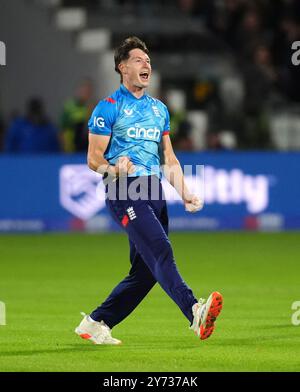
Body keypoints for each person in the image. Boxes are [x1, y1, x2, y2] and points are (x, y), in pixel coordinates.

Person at [75, 36, 223, 345]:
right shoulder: (108, 108)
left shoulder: (159, 110)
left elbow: (169, 158)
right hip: (123, 189)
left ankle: (96, 322)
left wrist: (185, 193)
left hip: (154, 191)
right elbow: (92, 159)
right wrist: (116, 169)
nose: (147, 64)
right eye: (139, 60)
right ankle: (195, 311)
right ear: (122, 67)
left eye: (149, 61)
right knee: (161, 251)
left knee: (144, 273)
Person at [60, 78, 95, 152]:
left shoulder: (94, 107)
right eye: (83, 90)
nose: (85, 93)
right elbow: (62, 129)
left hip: (87, 149)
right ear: (78, 90)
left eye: (88, 91)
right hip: (71, 149)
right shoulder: (69, 107)